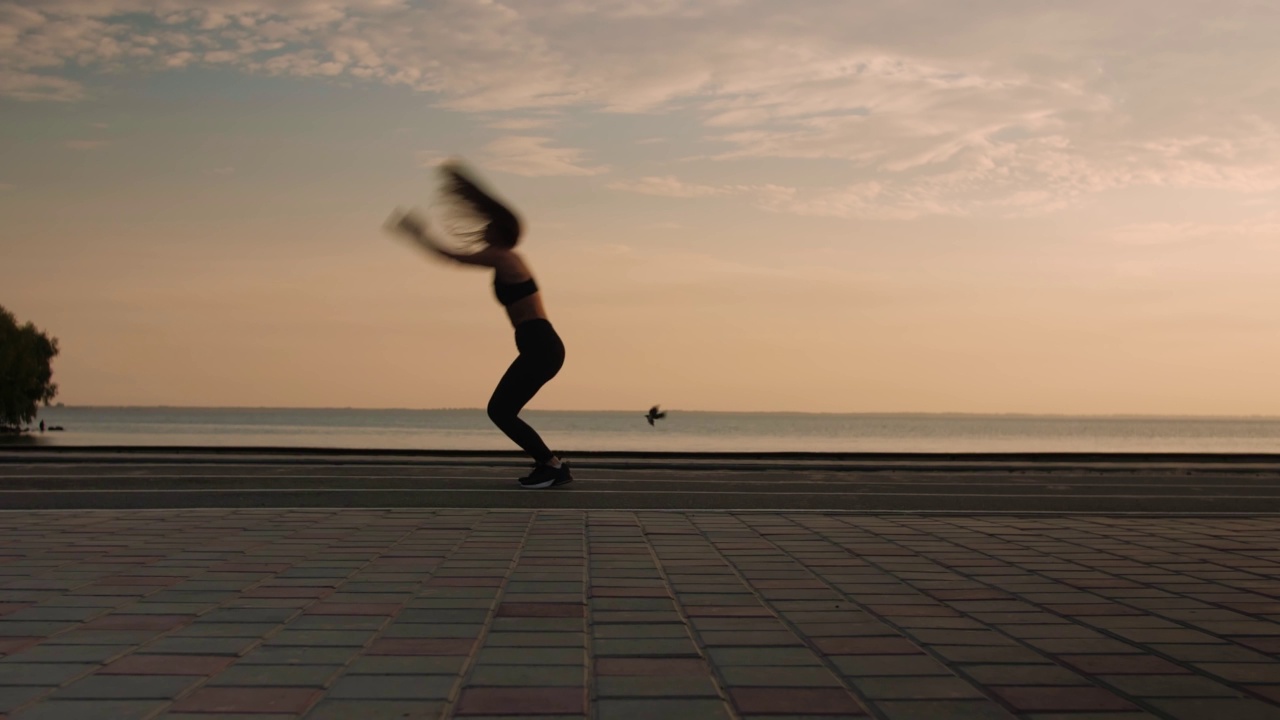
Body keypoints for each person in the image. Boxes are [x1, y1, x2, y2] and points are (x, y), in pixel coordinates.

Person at [386, 161, 572, 489]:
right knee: (502, 409)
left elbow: (454, 258)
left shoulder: (504, 258)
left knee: (500, 410)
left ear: (497, 230)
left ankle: (552, 465)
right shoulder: (506, 259)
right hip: (539, 345)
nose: (483, 228)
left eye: (488, 225)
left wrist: (419, 236)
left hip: (542, 346)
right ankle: (551, 464)